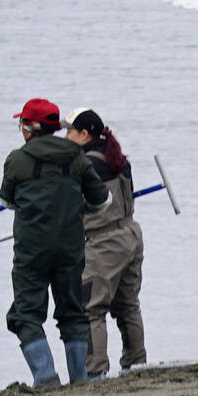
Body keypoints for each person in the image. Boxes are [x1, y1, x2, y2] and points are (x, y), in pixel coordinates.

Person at [1, 98, 108, 386]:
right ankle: (80, 379)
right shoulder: (76, 157)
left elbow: (6, 200)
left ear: (29, 129)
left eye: (21, 123)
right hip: (71, 249)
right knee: (73, 312)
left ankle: (46, 377)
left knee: (25, 315)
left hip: (31, 251)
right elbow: (102, 200)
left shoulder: (17, 159)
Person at [67, 108, 145, 378]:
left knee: (92, 309)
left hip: (103, 242)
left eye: (70, 131)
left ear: (84, 134)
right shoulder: (118, 158)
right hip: (131, 234)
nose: (66, 136)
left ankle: (95, 371)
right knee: (128, 304)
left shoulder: (86, 165)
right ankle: (137, 365)